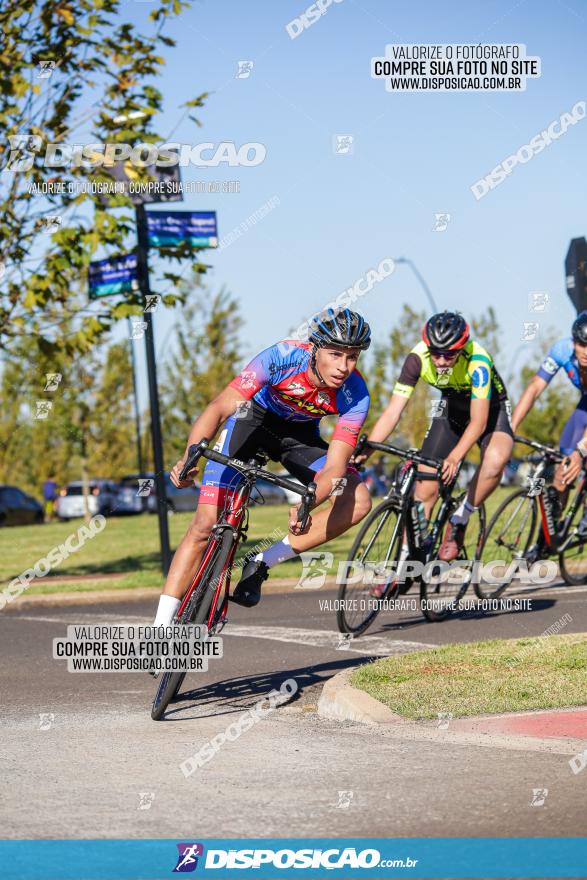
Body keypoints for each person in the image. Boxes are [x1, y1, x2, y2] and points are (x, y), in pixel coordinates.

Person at [152, 308, 372, 627]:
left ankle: (261, 561)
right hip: (251, 422)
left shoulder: (356, 394)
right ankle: (160, 626)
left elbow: (335, 467)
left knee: (359, 499)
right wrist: (190, 457)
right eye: (335, 354)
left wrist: (310, 502)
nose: (343, 366)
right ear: (314, 348)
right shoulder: (280, 357)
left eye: (352, 357)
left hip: (298, 438)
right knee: (204, 523)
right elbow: (219, 407)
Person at [360, 311, 513, 564]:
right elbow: (393, 412)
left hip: (490, 411)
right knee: (425, 488)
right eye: (436, 353)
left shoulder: (478, 360)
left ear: (462, 348)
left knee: (496, 461)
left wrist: (454, 457)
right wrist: (369, 449)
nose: (441, 360)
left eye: (449, 354)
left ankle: (459, 519)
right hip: (450, 410)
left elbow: (479, 422)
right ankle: (406, 562)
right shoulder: (417, 358)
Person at [511, 310, 587, 537]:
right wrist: (510, 427)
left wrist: (581, 451)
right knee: (562, 471)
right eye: (582, 345)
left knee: (579, 455)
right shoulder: (562, 350)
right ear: (574, 342)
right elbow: (535, 387)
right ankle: (551, 535)